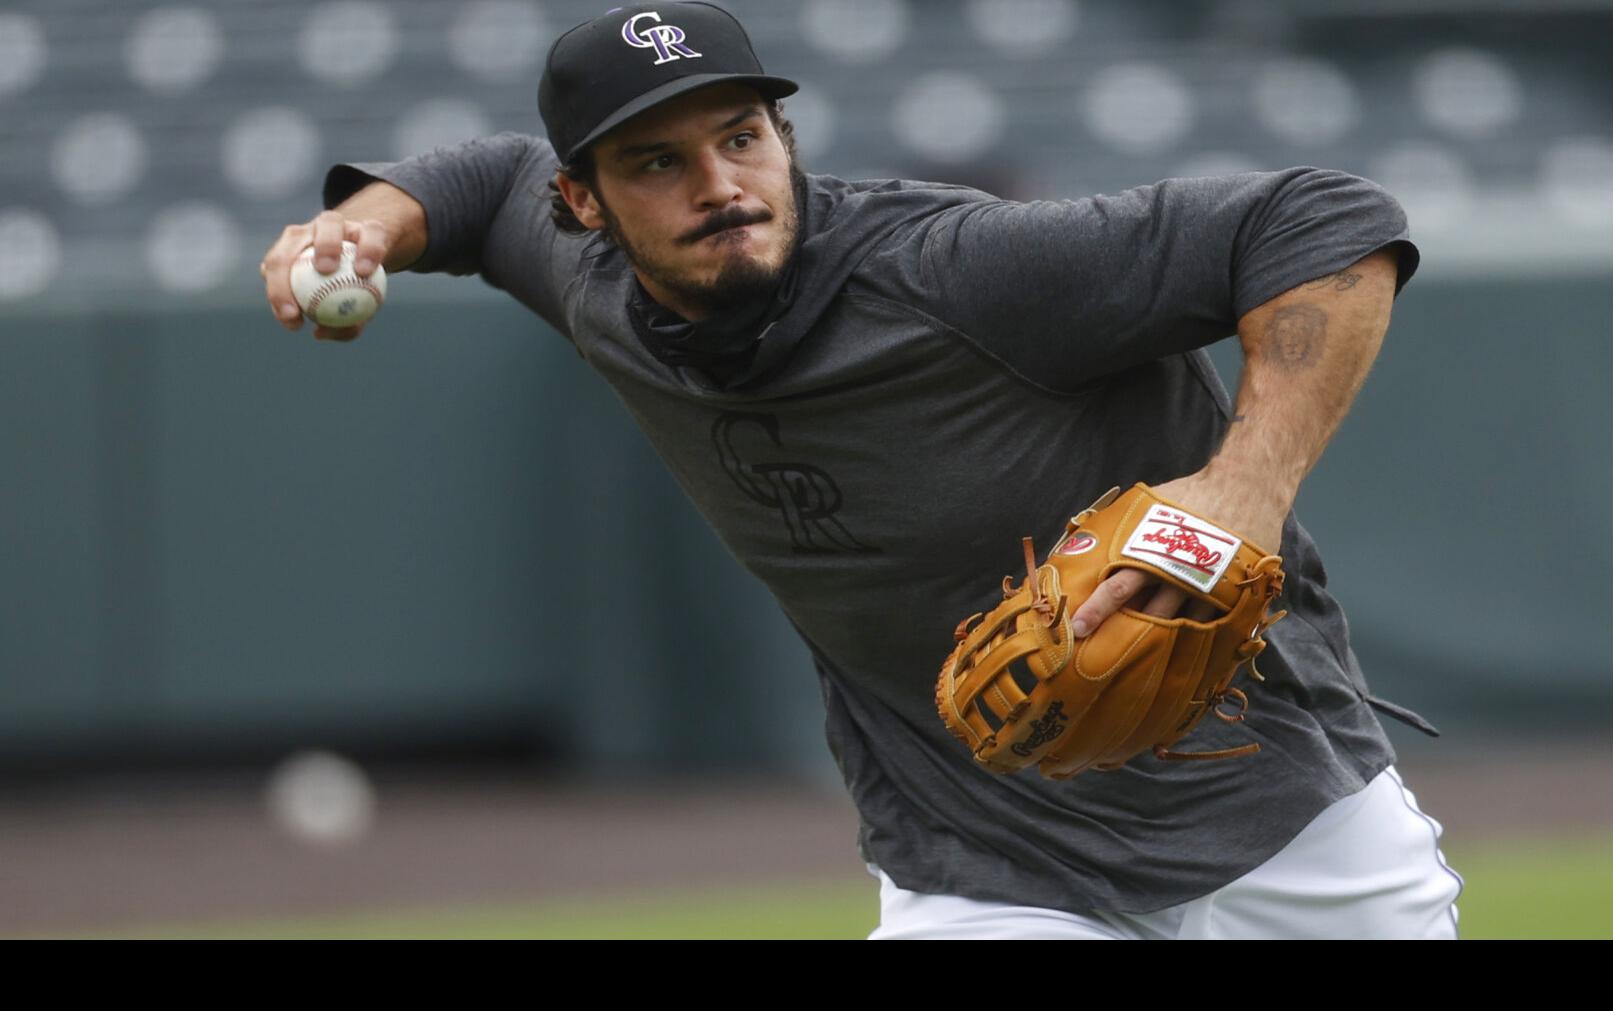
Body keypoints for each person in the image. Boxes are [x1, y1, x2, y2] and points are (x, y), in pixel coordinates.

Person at [260, 2, 1462, 939]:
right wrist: (364, 223)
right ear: (583, 202)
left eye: (741, 139)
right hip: (980, 863)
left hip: (1283, 829)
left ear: (784, 140)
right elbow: (477, 183)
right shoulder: (588, 278)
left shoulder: (958, 270)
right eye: (657, 163)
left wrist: (1239, 493)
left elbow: (1326, 224)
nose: (719, 185)